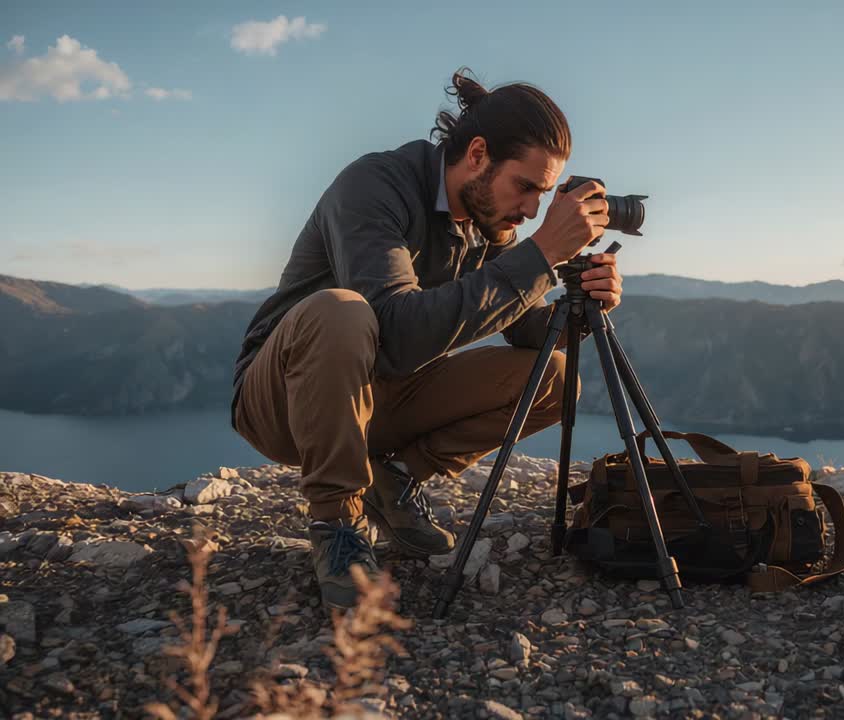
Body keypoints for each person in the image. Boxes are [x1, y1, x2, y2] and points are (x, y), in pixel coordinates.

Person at [229, 68, 624, 609]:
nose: (532, 210)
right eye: (526, 186)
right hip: (285, 401)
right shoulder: (375, 185)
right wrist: (539, 255)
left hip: (378, 399)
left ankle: (392, 479)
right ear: (478, 154)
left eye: (544, 193)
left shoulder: (490, 225)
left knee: (552, 378)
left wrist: (582, 303)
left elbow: (530, 331)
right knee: (343, 312)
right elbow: (395, 332)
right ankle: (337, 525)